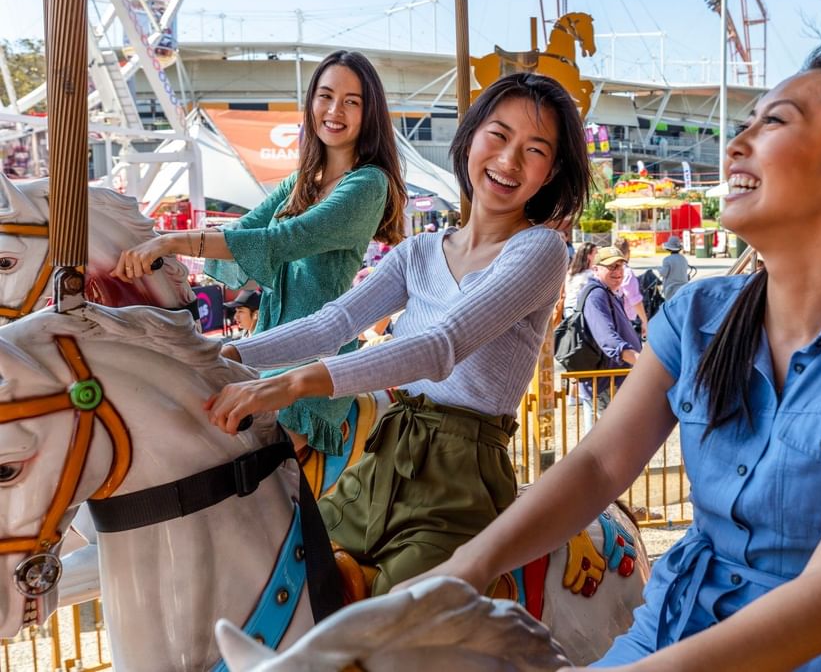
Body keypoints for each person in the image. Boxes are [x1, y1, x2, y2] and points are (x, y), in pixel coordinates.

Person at [401, 51, 821, 670]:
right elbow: (600, 466)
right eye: (749, 121)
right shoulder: (697, 315)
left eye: (774, 123)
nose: (737, 143)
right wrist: (466, 567)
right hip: (671, 621)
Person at [205, 72, 592, 595]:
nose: (509, 160)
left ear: (551, 173)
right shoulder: (419, 252)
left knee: (395, 619)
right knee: (286, 575)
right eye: (498, 136)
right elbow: (331, 323)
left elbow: (442, 346)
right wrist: (223, 352)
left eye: (535, 149)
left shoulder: (540, 250)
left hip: (461, 476)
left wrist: (290, 384)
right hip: (385, 453)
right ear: (472, 137)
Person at [112, 50, 408, 456]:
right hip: (267, 346)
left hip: (314, 360)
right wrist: (151, 237)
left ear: (368, 112)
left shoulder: (367, 185)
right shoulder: (303, 180)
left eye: (351, 101)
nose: (334, 110)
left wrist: (170, 242)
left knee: (249, 470)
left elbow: (278, 241)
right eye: (325, 96)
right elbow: (241, 230)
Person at [577, 246, 641, 432]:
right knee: (617, 441)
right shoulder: (596, 294)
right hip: (606, 384)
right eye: (611, 267)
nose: (618, 271)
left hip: (611, 382)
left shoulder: (608, 292)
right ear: (596, 268)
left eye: (621, 266)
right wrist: (642, 362)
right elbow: (608, 340)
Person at [614, 237, 649, 338]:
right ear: (628, 252)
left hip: (613, 319)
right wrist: (644, 321)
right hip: (627, 321)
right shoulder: (627, 272)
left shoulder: (609, 270)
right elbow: (635, 301)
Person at [561, 242, 597, 318]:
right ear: (589, 256)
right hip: (579, 311)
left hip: (568, 307)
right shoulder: (590, 275)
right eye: (596, 253)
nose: (598, 255)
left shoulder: (571, 272)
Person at [660, 234, 690, 300]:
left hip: (671, 289)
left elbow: (663, 273)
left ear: (669, 248)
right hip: (683, 287)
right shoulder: (683, 258)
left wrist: (659, 270)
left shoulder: (667, 259)